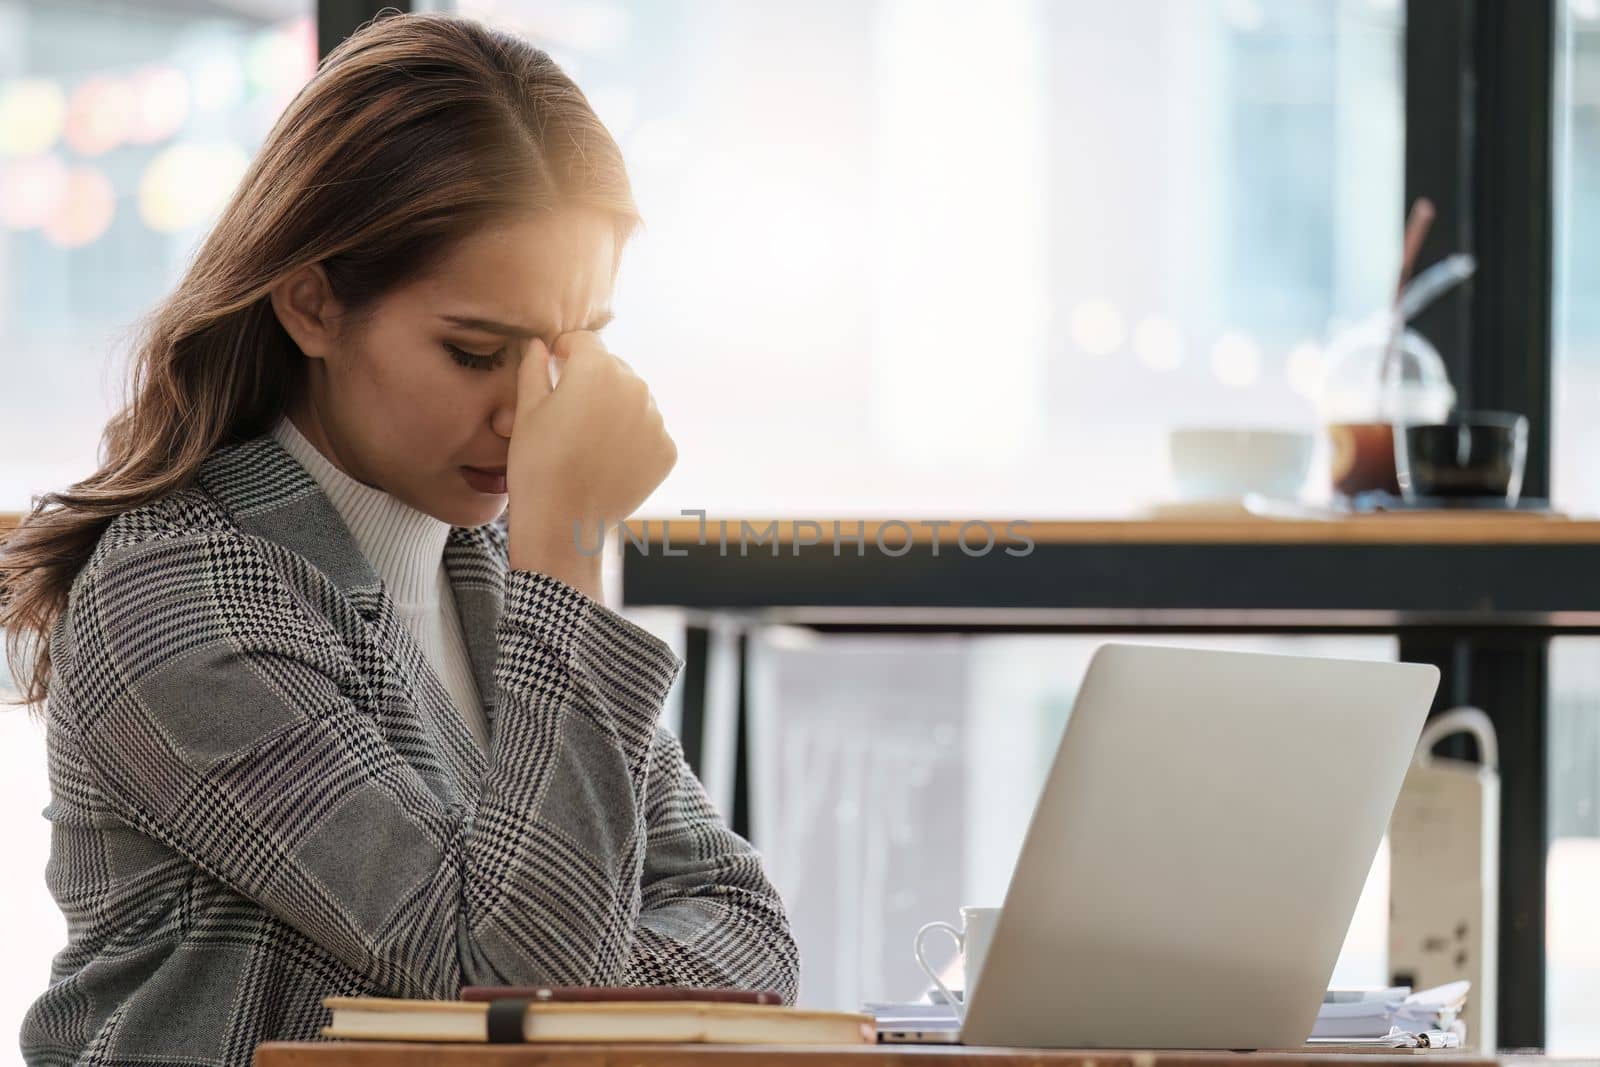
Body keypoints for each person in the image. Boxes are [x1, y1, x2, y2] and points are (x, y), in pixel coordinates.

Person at [0, 12, 798, 1066]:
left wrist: (567, 964)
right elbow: (518, 986)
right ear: (312, 303)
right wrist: (572, 557)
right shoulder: (181, 592)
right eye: (476, 352)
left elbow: (746, 926)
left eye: (573, 347)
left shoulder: (497, 574)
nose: (531, 412)